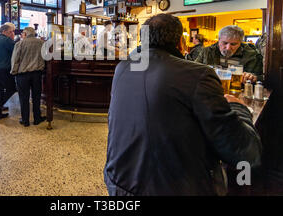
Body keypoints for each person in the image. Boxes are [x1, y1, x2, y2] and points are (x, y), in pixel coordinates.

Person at [104, 13, 262, 195]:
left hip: (117, 181)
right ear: (181, 42)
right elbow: (245, 152)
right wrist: (238, 107)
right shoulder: (198, 74)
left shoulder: (122, 67)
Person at [195, 25, 263, 82]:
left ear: (240, 43)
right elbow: (194, 70)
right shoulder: (207, 51)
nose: (228, 48)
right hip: (211, 89)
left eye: (233, 44)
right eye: (225, 43)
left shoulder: (251, 55)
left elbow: (261, 78)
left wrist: (253, 77)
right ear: (219, 40)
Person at [11, 27, 46, 127]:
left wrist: (14, 72)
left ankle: (25, 120)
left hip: (22, 75)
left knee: (24, 98)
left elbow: (15, 60)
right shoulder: (41, 43)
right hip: (37, 74)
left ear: (25, 34)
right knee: (36, 97)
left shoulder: (19, 44)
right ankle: (37, 118)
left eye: (22, 33)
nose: (22, 35)